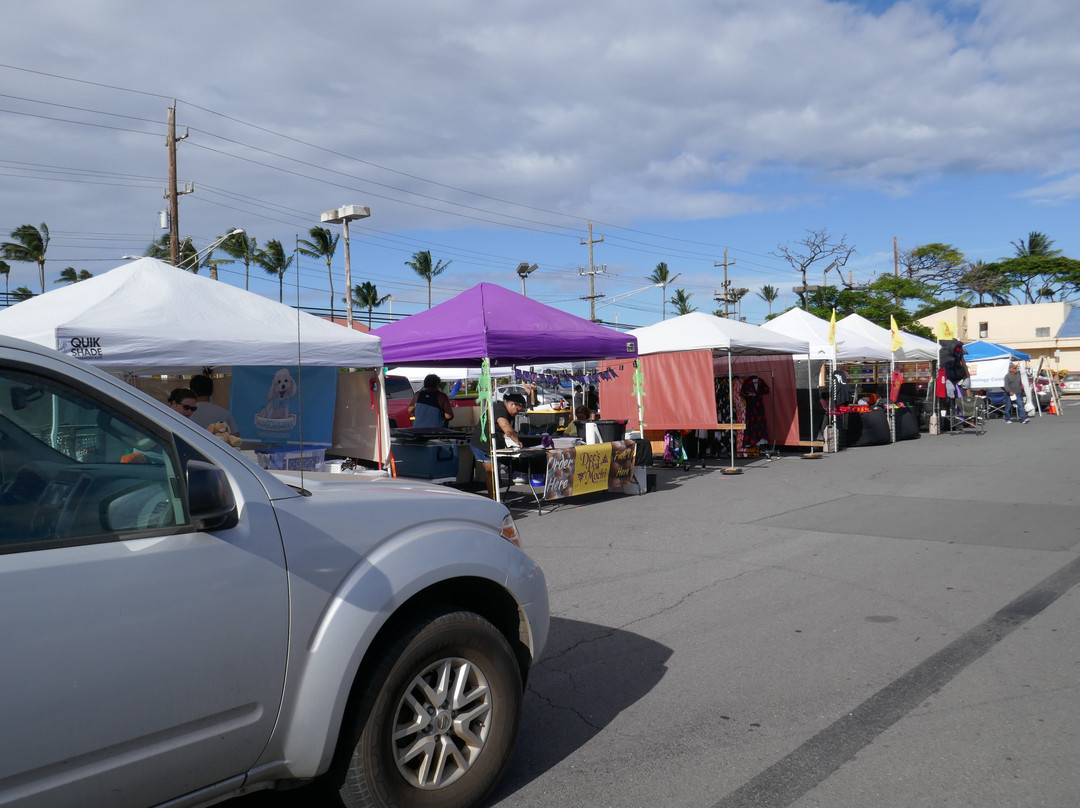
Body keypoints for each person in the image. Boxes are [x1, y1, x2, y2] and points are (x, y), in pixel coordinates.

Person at [470, 393, 527, 498]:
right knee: (492, 472)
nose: (517, 412)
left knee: (494, 471)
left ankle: (495, 496)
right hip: (482, 444)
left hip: (491, 444)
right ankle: (493, 499)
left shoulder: (504, 410)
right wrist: (517, 442)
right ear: (512, 404)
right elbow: (506, 428)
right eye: (518, 409)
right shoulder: (499, 409)